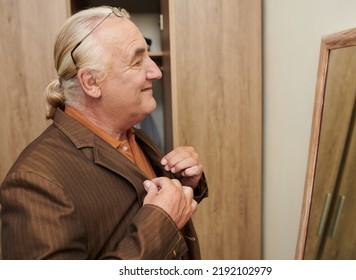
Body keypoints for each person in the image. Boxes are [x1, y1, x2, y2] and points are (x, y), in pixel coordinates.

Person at [0, 6, 208, 260]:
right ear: (91, 82)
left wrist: (182, 187)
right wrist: (160, 223)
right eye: (137, 60)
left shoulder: (131, 134)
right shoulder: (35, 182)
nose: (156, 72)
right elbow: (157, 219)